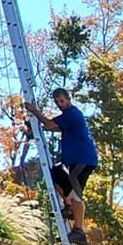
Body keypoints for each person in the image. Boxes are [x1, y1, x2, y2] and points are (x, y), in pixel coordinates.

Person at [40, 87, 97, 232]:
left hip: (83, 159)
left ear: (68, 100)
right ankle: (69, 206)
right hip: (73, 160)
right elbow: (54, 128)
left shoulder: (72, 114)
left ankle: (79, 229)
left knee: (75, 189)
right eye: (57, 102)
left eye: (62, 101)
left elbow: (50, 124)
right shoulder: (68, 117)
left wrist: (34, 111)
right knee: (57, 172)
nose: (60, 104)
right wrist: (35, 127)